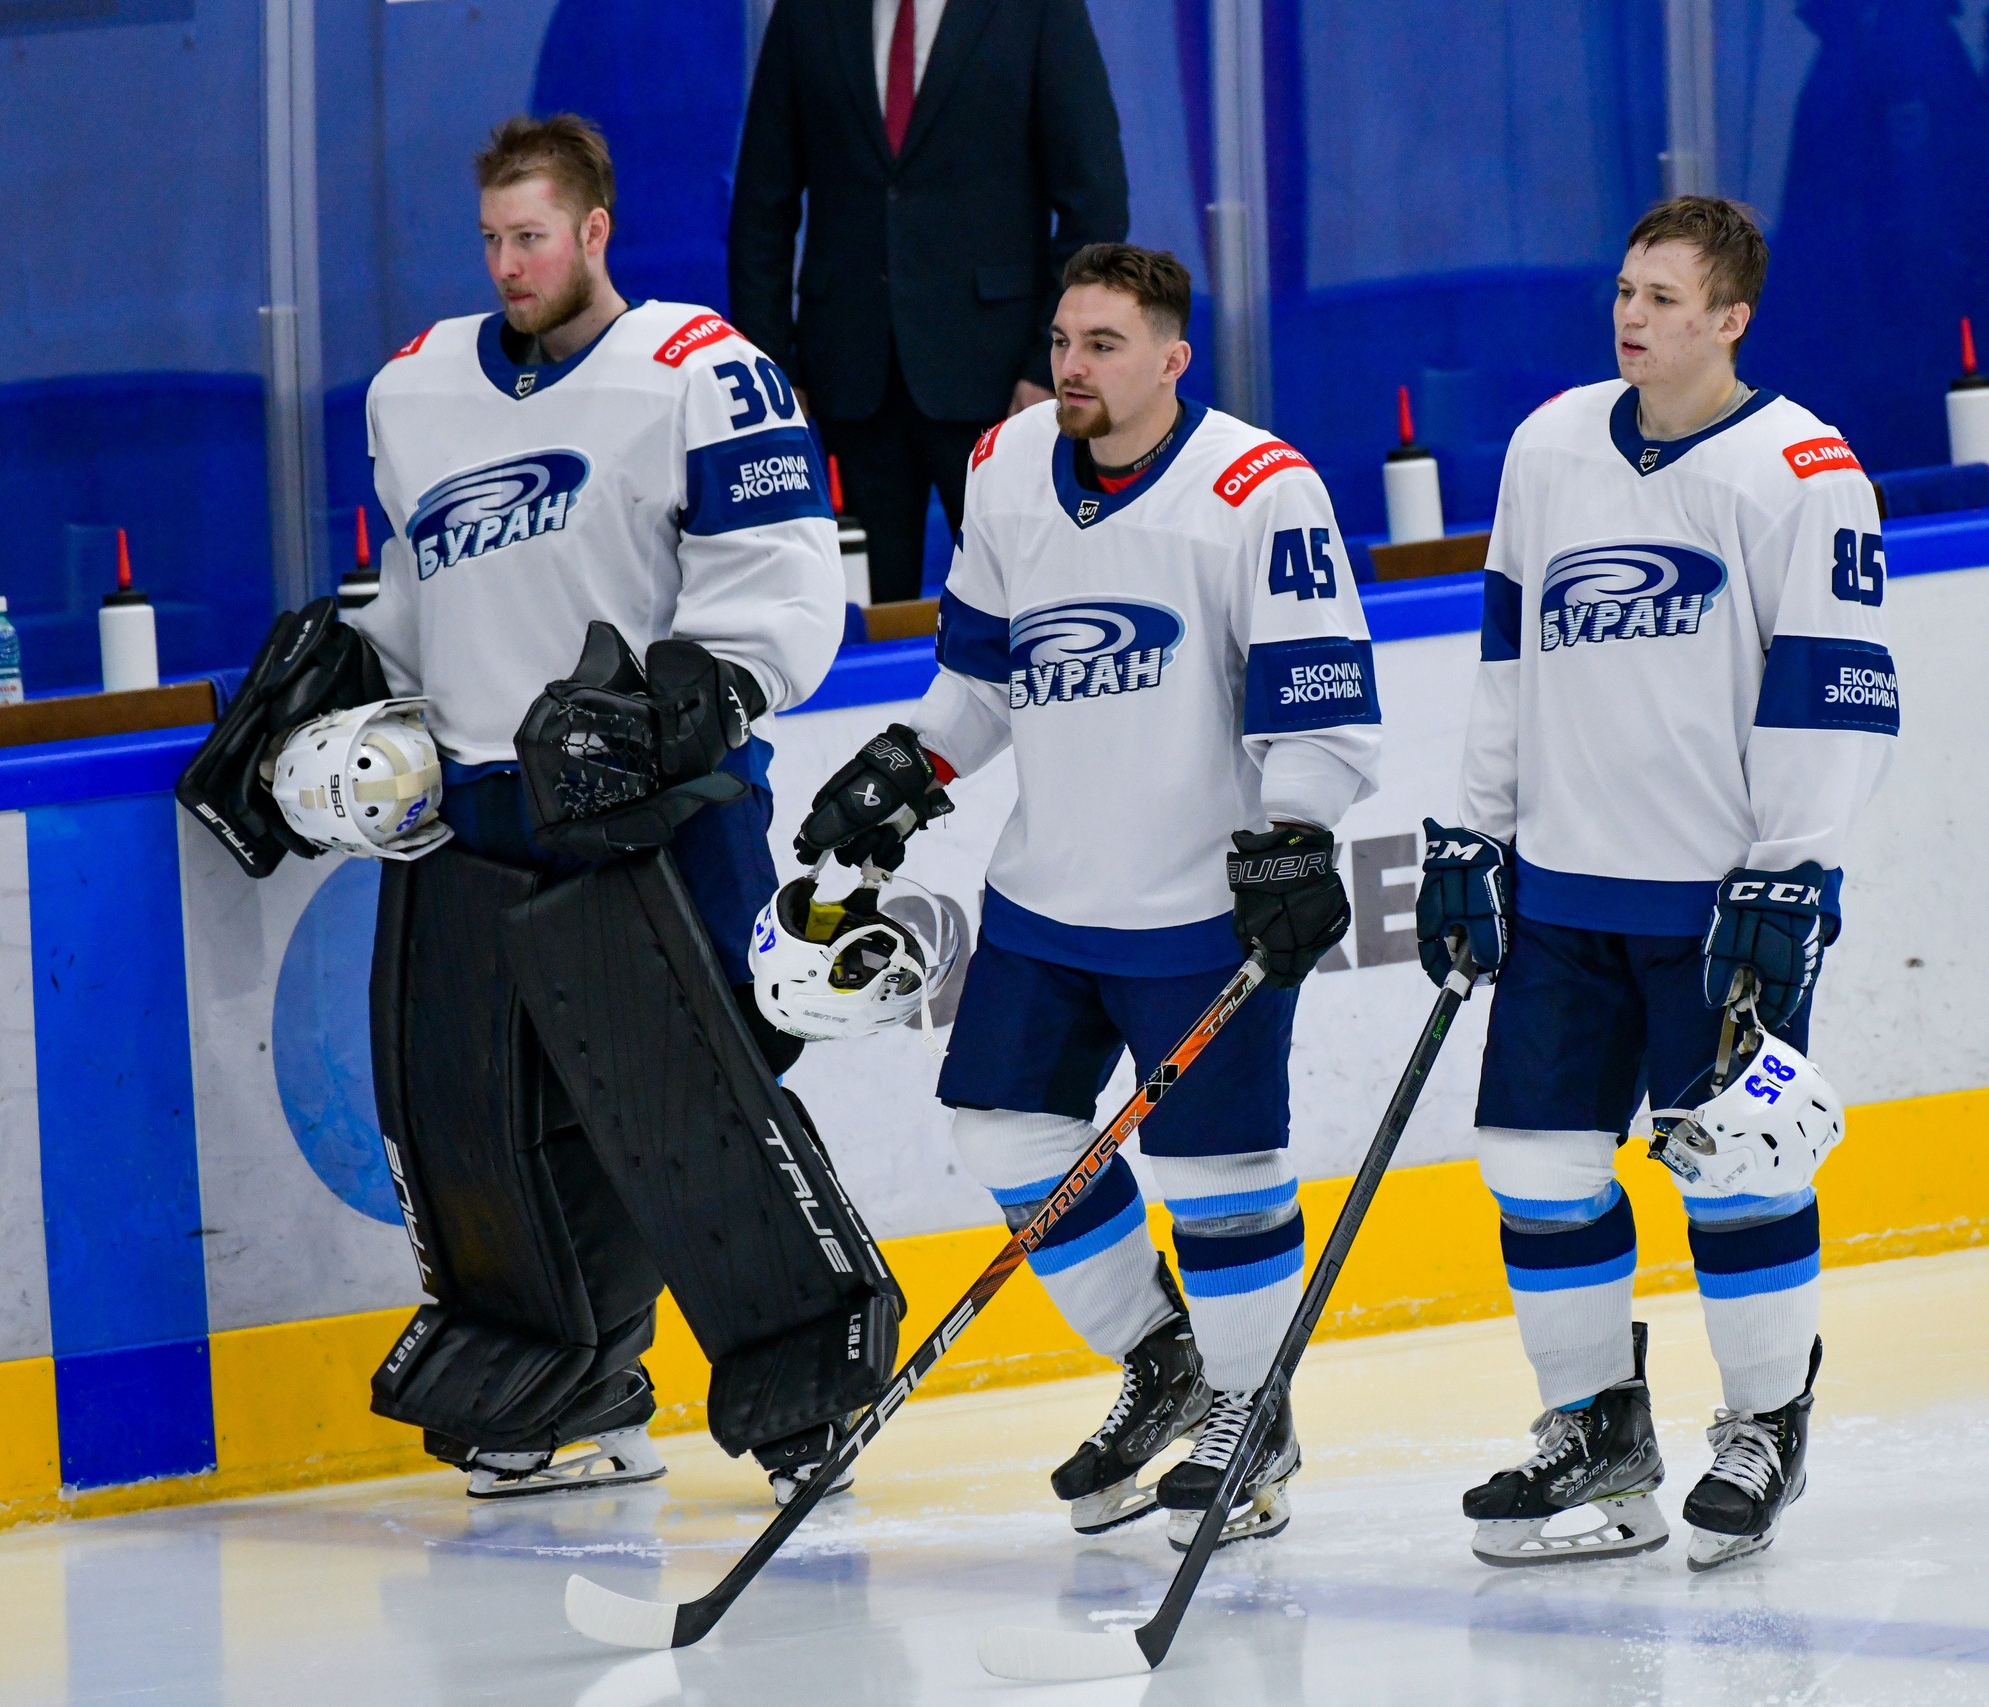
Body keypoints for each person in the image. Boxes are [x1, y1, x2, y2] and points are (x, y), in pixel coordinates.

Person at [321, 113, 884, 1506]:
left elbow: (789, 578)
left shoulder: (702, 372)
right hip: (478, 807)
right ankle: (575, 1378)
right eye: (494, 240)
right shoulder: (414, 391)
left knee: (691, 1093)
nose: (512, 265)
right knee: (484, 1121)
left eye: (535, 236)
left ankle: (809, 1384)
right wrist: (350, 678)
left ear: (595, 231)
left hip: (655, 800)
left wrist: (707, 689)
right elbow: (416, 591)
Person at [791, 243, 1381, 1550]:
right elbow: (985, 682)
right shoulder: (1005, 467)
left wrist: (1296, 836)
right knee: (1005, 1132)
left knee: (1219, 1172)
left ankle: (1252, 1409)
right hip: (1048, 895)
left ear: (1174, 358)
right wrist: (912, 762)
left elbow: (1324, 709)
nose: (1074, 367)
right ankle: (1167, 1360)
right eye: (1063, 340)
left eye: (1105, 344)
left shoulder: (1257, 489)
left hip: (1197, 903)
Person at [1413, 197, 1897, 1572]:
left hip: (1720, 899)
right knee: (1536, 1163)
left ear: (1732, 318)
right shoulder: (1551, 445)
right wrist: (1473, 831)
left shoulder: (1801, 470)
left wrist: (1791, 867)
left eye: (1667, 299)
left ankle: (1764, 1423)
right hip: (1566, 888)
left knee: (1736, 1169)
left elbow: (1837, 688)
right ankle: (1597, 1431)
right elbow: (1507, 652)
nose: (1633, 316)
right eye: (1626, 289)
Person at [728, 0, 1129, 605]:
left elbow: (1093, 204)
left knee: (1018, 610)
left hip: (1002, 386)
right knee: (858, 622)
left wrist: (1044, 365)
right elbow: (762, 207)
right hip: (848, 379)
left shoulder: (1038, 11)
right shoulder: (808, 13)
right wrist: (770, 373)